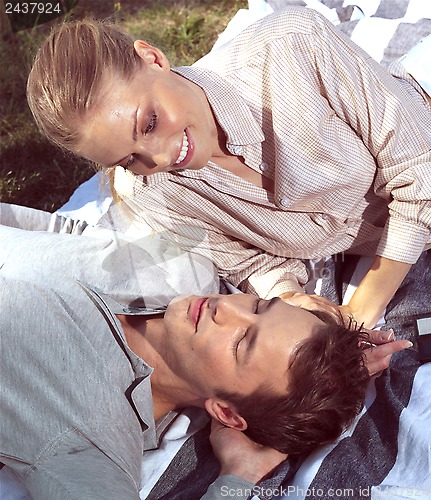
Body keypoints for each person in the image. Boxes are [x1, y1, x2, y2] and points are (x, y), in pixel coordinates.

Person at [26, 6, 431, 331]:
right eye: (128, 158)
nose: (161, 158)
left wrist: (359, 312)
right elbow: (252, 263)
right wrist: (292, 302)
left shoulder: (293, 46)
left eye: (148, 122)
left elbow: (421, 171)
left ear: (152, 57)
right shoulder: (147, 190)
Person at [0, 202, 407, 499]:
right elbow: (68, 234)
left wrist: (237, 479)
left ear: (227, 413)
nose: (225, 308)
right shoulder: (189, 269)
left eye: (241, 343)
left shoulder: (88, 435)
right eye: (257, 307)